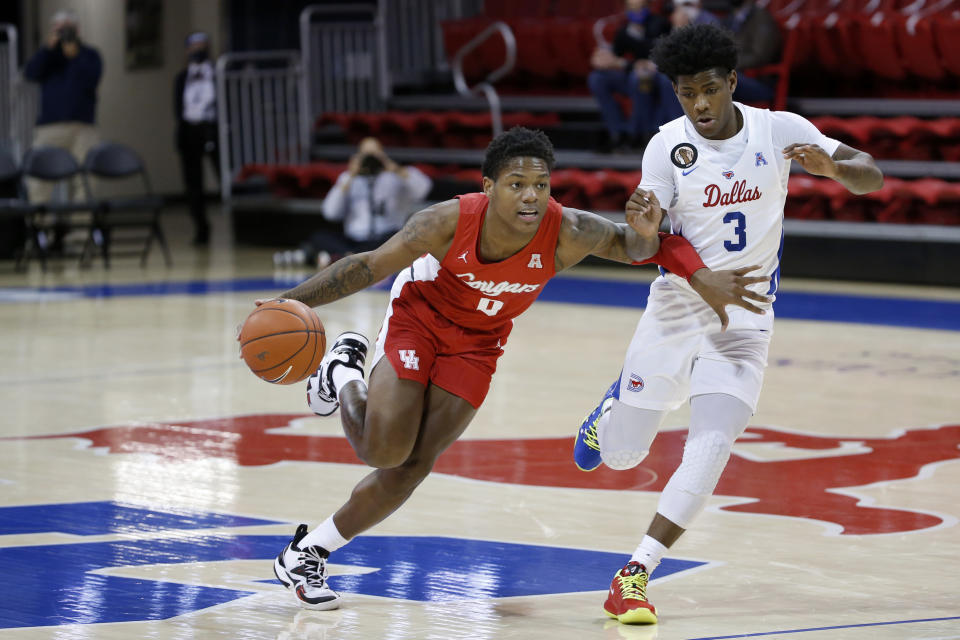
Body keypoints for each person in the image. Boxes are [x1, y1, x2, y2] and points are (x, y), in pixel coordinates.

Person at [253, 126, 772, 610]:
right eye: (517, 184)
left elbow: (640, 248)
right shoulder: (444, 221)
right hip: (420, 319)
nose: (530, 195)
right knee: (383, 448)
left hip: (480, 343)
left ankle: (308, 553)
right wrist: (283, 304)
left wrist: (654, 241)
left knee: (412, 465)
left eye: (541, 184)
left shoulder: (568, 230)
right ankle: (343, 369)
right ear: (489, 186)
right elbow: (366, 265)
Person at [572, 24, 883, 626]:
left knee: (711, 447)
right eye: (687, 94)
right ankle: (612, 413)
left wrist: (838, 170)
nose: (700, 106)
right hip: (676, 307)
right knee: (622, 457)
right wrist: (645, 226)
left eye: (709, 90)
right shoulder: (666, 146)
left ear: (732, 82)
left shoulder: (780, 129)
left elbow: (870, 170)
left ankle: (634, 573)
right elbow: (645, 244)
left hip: (746, 316)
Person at [275, 137, 432, 267]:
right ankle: (353, 257)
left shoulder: (395, 176)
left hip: (387, 237)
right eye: (366, 155)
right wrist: (350, 175)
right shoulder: (348, 178)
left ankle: (341, 258)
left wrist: (393, 168)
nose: (370, 160)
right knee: (320, 236)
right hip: (354, 240)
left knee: (401, 237)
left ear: (383, 154)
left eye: (374, 154)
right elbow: (330, 212)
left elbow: (423, 190)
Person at [23, 9, 102, 205]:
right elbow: (31, 73)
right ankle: (40, 230)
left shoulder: (90, 55)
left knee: (86, 180)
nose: (63, 33)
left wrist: (74, 56)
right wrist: (47, 50)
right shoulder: (48, 56)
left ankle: (80, 233)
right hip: (50, 127)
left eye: (67, 28)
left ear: (77, 30)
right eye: (59, 29)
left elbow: (91, 79)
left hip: (83, 127)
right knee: (38, 178)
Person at [588, 0, 672, 152]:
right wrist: (603, 59)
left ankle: (643, 135)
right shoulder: (624, 29)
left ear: (648, 7)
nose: (636, 13)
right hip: (632, 74)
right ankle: (618, 133)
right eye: (632, 9)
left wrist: (627, 64)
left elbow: (656, 58)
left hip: (658, 78)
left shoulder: (661, 25)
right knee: (597, 78)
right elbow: (616, 58)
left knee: (639, 79)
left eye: (640, 9)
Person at [174, 31, 218, 246]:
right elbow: (177, 110)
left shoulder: (217, 73)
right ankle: (201, 229)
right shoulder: (182, 78)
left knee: (222, 177)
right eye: (194, 46)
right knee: (193, 185)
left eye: (202, 45)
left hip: (212, 129)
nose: (198, 49)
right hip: (190, 132)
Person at [723, 0, 782, 104]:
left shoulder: (761, 18)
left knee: (717, 79)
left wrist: (727, 64)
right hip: (737, 74)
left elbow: (759, 56)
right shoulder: (732, 16)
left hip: (759, 82)